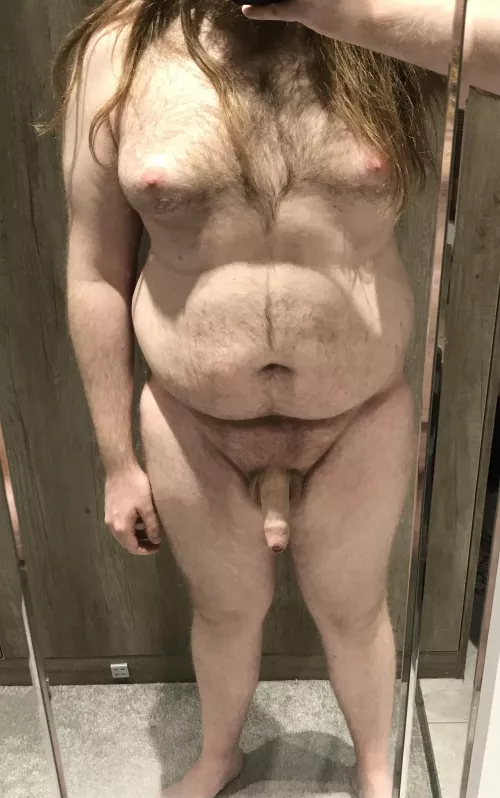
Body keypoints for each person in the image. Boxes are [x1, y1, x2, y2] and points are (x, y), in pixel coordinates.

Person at [57, 1, 499, 796]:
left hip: (359, 416)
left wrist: (354, 13)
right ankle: (218, 756)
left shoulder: (389, 30)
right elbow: (94, 270)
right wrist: (117, 461)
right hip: (192, 422)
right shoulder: (117, 52)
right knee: (223, 612)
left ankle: (377, 773)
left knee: (355, 610)